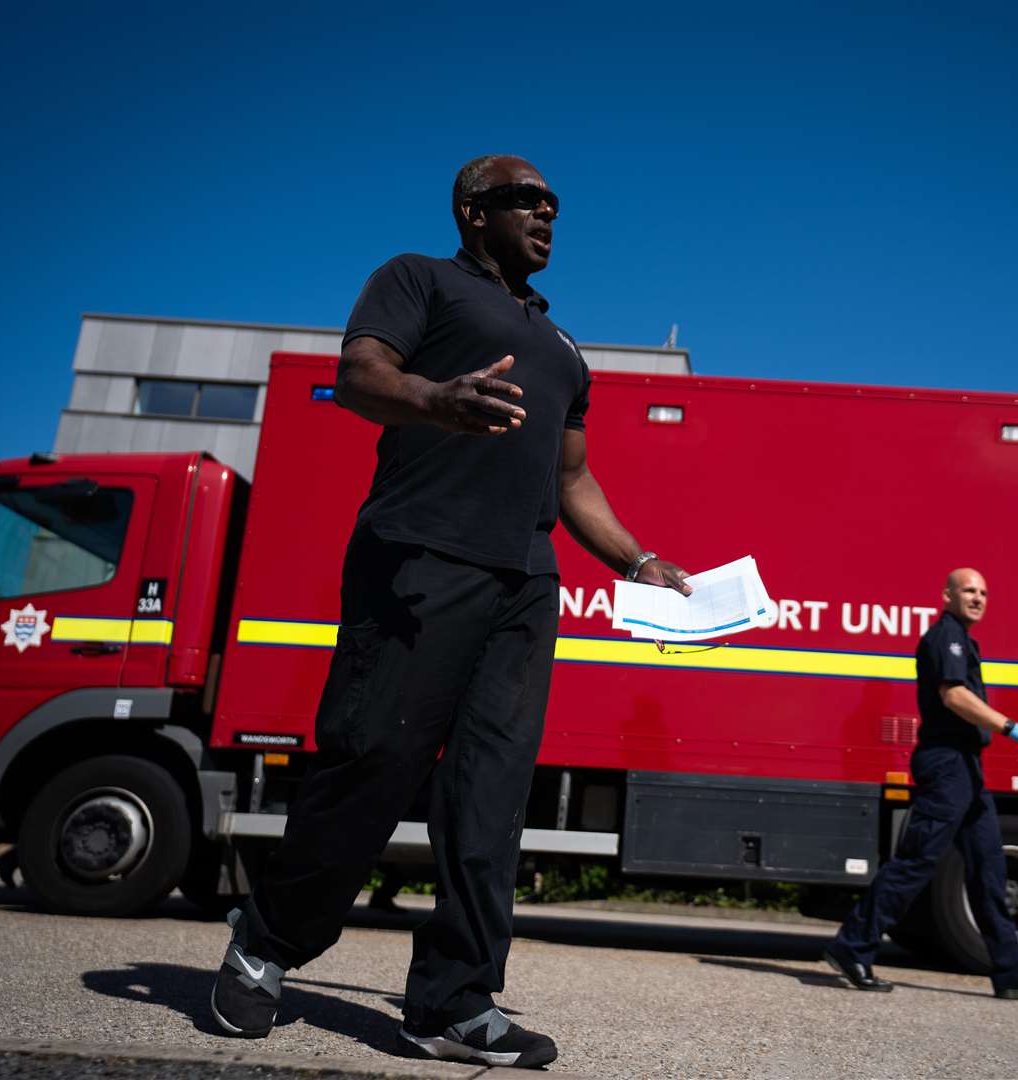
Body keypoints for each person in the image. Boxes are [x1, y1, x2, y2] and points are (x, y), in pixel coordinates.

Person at [209, 154, 690, 1070]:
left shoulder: (561, 346)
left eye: (555, 205)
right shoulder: (417, 279)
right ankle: (266, 944)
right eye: (526, 201)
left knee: (490, 798)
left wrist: (639, 559)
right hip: (419, 560)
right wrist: (435, 397)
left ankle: (454, 1003)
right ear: (475, 211)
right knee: (373, 762)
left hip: (524, 585)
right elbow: (357, 374)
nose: (547, 214)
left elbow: (573, 477)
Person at [823, 568, 1018, 999]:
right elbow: (952, 695)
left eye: (983, 592)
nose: (977, 597)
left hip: (967, 768)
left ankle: (1011, 971)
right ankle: (853, 947)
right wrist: (1009, 726)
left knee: (990, 869)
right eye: (968, 590)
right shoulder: (946, 638)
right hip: (946, 765)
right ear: (948, 596)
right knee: (917, 860)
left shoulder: (964, 640)